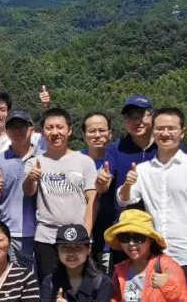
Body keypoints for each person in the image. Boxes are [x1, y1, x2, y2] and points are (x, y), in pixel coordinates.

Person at [24, 108, 97, 282]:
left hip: (78, 237)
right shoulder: (34, 162)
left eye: (60, 127)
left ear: (69, 130)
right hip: (47, 238)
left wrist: (86, 236)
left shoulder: (84, 161)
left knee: (78, 287)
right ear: (42, 132)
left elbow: (92, 201)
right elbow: (28, 191)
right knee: (49, 287)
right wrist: (30, 178)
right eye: (49, 128)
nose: (55, 132)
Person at [118, 108, 187, 274]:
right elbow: (123, 200)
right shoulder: (143, 170)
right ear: (153, 132)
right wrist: (127, 184)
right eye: (160, 128)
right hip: (155, 258)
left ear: (182, 133)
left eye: (171, 128)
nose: (165, 133)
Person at [104, 95, 158, 263]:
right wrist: (102, 181)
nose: (137, 122)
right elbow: (105, 181)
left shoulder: (166, 147)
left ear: (152, 116)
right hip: (125, 232)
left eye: (141, 116)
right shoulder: (115, 149)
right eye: (131, 117)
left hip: (157, 228)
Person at [0, 110, 38, 266]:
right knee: (13, 278)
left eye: (21, 126)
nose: (17, 131)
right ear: (6, 131)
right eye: (12, 127)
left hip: (40, 234)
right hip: (9, 233)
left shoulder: (42, 157)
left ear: (31, 129)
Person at [80, 111, 114, 270]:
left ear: (110, 134)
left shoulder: (116, 159)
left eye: (102, 130)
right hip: (79, 233)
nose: (97, 135)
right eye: (92, 131)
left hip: (108, 237)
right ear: (83, 135)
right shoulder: (75, 159)